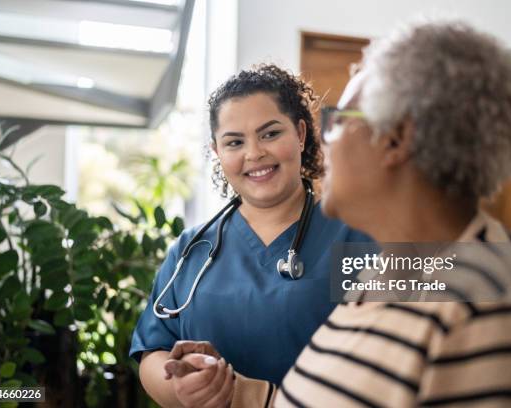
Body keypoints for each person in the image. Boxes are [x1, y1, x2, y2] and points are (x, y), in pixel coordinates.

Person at [168, 21, 511, 407]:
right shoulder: (384, 277)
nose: (323, 144)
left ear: (395, 140)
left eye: (337, 122)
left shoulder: (497, 304)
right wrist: (241, 390)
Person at [129, 64, 372, 407]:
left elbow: (465, 282)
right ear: (217, 152)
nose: (254, 153)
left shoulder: (358, 235)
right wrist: (186, 389)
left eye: (270, 133)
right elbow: (152, 351)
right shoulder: (192, 249)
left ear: (300, 134)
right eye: (234, 142)